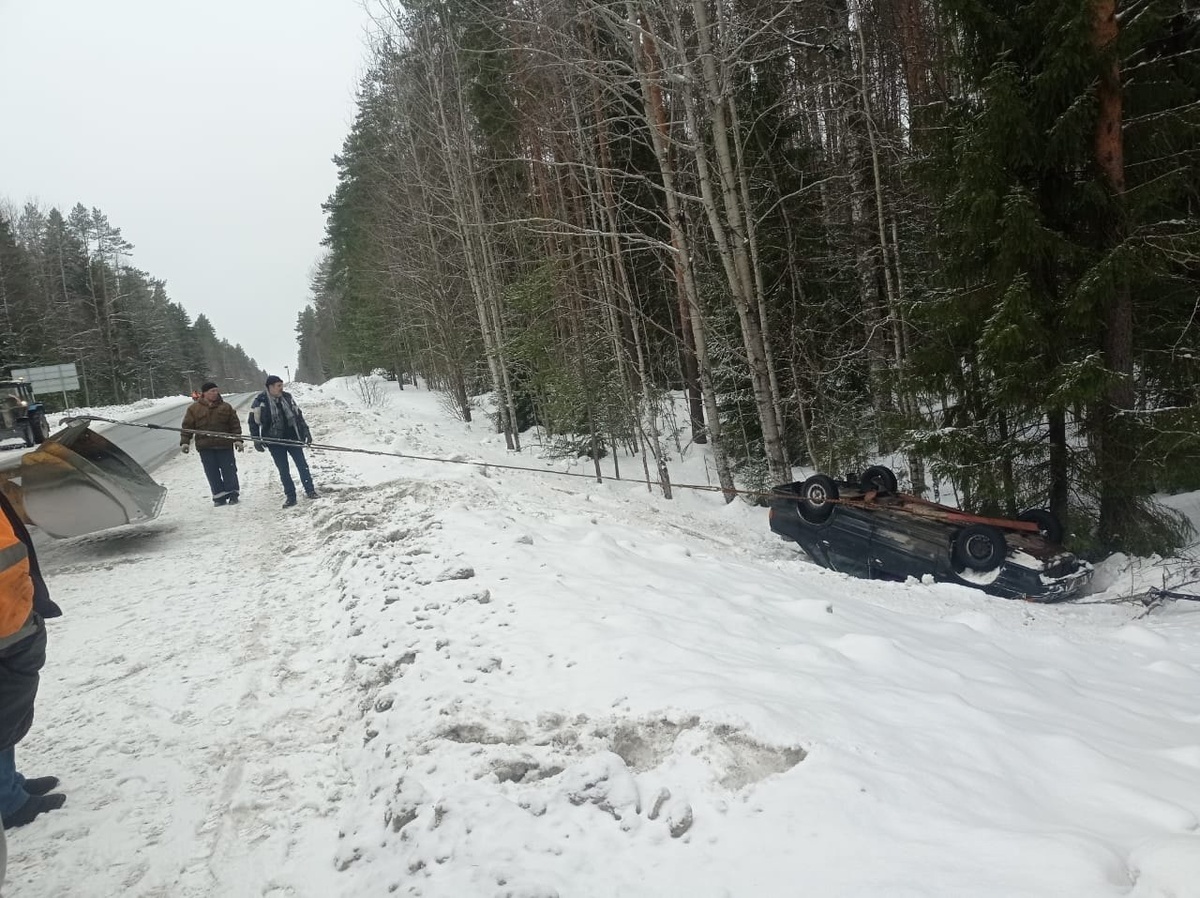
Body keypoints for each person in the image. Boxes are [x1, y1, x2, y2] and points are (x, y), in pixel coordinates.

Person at [0, 490, 66, 829]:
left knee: (8, 709)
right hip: (6, 622)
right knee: (3, 710)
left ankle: (9, 785)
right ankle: (9, 802)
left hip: (13, 613)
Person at [248, 376, 317, 508]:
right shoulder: (260, 401)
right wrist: (256, 439)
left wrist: (306, 431)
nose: (281, 388)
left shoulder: (287, 397)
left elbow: (298, 415)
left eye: (282, 385)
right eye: (278, 386)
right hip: (274, 441)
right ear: (270, 387)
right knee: (283, 470)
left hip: (293, 437)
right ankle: (290, 497)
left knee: (302, 465)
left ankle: (310, 491)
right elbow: (253, 422)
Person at [180, 381, 244, 506]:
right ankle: (219, 497)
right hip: (205, 447)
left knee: (229, 470)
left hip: (224, 445)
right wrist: (185, 442)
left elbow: (235, 425)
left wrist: (238, 440)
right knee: (211, 472)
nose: (215, 393)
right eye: (212, 391)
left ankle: (233, 494)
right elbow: (187, 427)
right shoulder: (194, 409)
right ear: (204, 393)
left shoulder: (226, 407)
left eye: (216, 391)